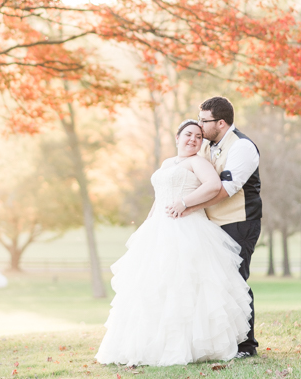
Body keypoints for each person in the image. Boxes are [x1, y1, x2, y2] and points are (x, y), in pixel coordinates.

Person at [95, 120, 252, 367]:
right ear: (177, 137)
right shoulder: (168, 163)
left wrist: (184, 202)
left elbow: (213, 185)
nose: (193, 139)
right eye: (188, 134)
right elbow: (159, 198)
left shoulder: (198, 162)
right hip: (160, 228)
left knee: (185, 285)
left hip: (188, 227)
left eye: (199, 137)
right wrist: (148, 223)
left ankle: (191, 344)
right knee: (154, 287)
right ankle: (151, 344)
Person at [167, 96, 261, 359]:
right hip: (210, 226)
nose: (199, 125)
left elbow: (226, 189)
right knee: (214, 284)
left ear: (220, 122)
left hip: (239, 222)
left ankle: (246, 345)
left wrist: (187, 207)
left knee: (236, 282)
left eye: (204, 121)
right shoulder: (207, 147)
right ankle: (223, 343)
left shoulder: (242, 147)